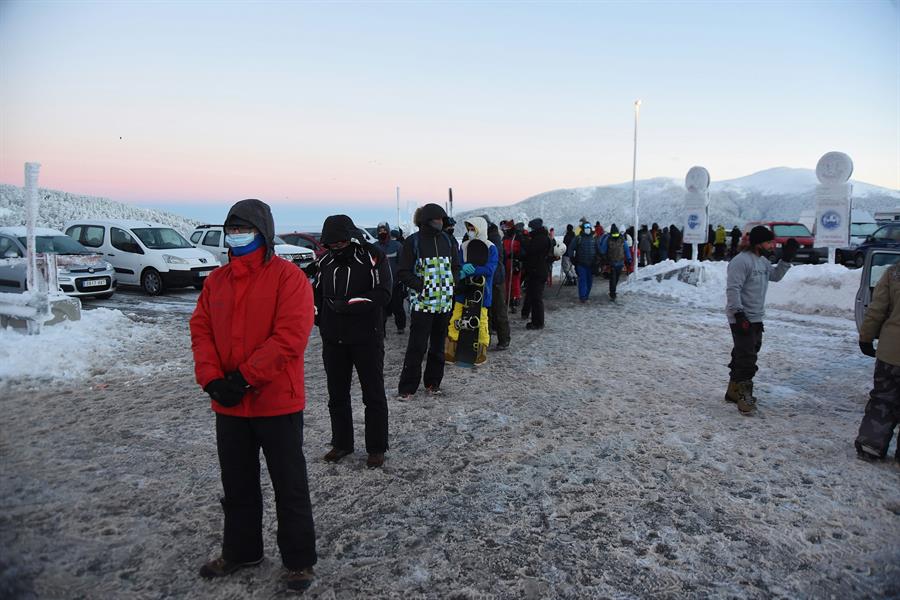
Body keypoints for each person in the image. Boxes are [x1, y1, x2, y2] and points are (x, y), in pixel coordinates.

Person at [190, 199, 317, 592]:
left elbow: (290, 338)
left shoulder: (288, 279)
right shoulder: (216, 282)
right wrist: (212, 380)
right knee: (238, 485)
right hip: (229, 406)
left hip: (276, 402)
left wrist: (244, 378)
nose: (236, 235)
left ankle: (298, 561)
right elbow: (201, 330)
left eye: (243, 228)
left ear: (263, 232)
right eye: (232, 228)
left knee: (289, 485)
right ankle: (242, 550)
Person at [315, 215, 392, 469]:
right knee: (337, 395)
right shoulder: (324, 261)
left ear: (350, 237)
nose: (336, 249)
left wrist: (347, 306)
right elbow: (316, 295)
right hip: (333, 340)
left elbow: (383, 293)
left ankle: (377, 447)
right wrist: (320, 318)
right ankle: (342, 443)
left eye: (340, 244)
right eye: (331, 245)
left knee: (373, 395)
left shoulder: (372, 255)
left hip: (366, 337)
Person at [724, 226, 798, 415]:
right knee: (747, 358)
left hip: (757, 316)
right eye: (768, 242)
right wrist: (738, 314)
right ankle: (744, 397)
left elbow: (775, 276)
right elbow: (733, 289)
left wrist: (787, 259)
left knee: (745, 352)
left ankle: (733, 391)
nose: (771, 246)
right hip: (741, 316)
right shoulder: (740, 262)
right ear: (758, 243)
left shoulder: (762, 261)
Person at [397, 203, 461, 398]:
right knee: (417, 347)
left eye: (442, 220)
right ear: (426, 221)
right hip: (422, 304)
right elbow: (403, 272)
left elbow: (456, 266)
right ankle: (407, 388)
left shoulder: (448, 241)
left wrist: (453, 282)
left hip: (444, 304)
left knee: (438, 347)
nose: (440, 223)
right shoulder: (413, 242)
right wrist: (421, 286)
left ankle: (433, 383)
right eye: (437, 220)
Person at [855, 261, 900, 463]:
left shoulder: (894, 273)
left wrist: (866, 337)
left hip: (892, 351)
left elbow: (876, 310)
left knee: (883, 398)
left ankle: (871, 444)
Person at [446, 217, 499, 364]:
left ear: (480, 228)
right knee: (456, 317)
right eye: (468, 228)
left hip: (482, 290)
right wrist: (462, 270)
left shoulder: (491, 247)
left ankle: (481, 350)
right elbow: (458, 264)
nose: (470, 231)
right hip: (464, 289)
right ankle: (451, 347)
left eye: (473, 228)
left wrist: (473, 270)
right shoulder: (463, 246)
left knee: (481, 320)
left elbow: (490, 269)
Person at [521, 218, 552, 329]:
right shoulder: (542, 237)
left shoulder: (540, 239)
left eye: (531, 227)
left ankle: (538, 322)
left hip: (537, 271)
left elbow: (530, 250)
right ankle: (536, 321)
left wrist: (523, 239)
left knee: (536, 298)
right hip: (539, 270)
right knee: (534, 296)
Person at [376, 221, 406, 334]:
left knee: (398, 307)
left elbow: (403, 263)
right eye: (380, 231)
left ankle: (401, 326)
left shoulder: (397, 246)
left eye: (384, 230)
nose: (382, 233)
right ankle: (381, 330)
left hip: (396, 283)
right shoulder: (375, 247)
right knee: (381, 309)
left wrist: (401, 279)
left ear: (388, 232)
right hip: (380, 285)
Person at [486, 220, 511, 350]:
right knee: (487, 311)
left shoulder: (493, 238)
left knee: (498, 309)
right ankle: (486, 338)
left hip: (495, 279)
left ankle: (504, 339)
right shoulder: (492, 236)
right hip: (490, 277)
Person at [598, 224, 632, 300]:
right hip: (619, 262)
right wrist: (629, 259)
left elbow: (603, 250)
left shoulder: (608, 239)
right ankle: (613, 292)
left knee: (613, 278)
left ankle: (612, 292)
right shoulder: (622, 239)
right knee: (615, 278)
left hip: (612, 262)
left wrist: (603, 256)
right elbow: (626, 250)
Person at [571, 222, 598, 302]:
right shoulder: (578, 238)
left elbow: (598, 249)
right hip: (581, 263)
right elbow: (571, 248)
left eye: (588, 228)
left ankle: (586, 295)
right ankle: (583, 297)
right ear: (583, 229)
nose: (587, 229)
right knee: (583, 280)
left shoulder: (594, 238)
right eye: (586, 228)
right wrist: (572, 258)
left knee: (589, 281)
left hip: (591, 264)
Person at [501, 221, 524, 314]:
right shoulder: (505, 237)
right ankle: (508, 300)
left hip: (514, 262)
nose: (505, 230)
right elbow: (503, 249)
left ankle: (515, 301)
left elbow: (522, 251)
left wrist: (516, 257)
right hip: (506, 262)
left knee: (515, 282)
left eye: (507, 229)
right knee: (506, 282)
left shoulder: (518, 237)